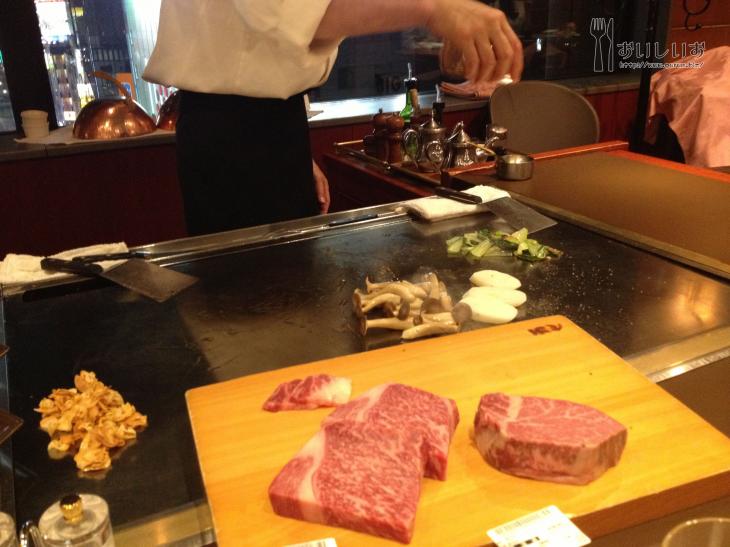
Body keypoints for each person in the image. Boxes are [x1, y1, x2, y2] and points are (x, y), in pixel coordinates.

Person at [143, 0, 523, 236]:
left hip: (265, 124)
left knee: (284, 297)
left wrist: (289, 148)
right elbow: (295, 14)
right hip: (231, 131)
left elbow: (268, 39)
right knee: (249, 309)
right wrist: (433, 9)